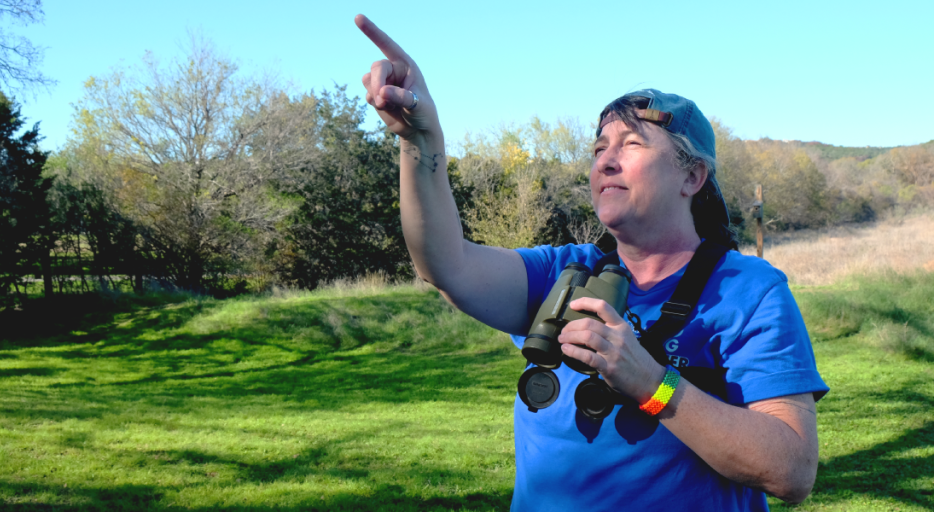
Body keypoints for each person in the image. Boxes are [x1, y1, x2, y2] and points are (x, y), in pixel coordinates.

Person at [354, 14, 828, 511]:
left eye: (631, 144)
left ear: (692, 177)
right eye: (600, 147)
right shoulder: (561, 272)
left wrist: (651, 383)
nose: (605, 160)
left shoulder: (748, 291)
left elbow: (791, 471)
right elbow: (445, 264)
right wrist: (419, 141)